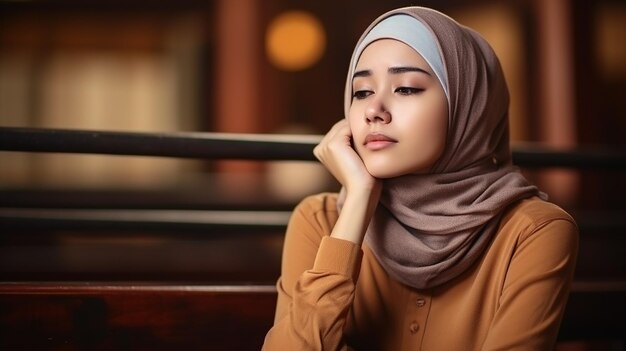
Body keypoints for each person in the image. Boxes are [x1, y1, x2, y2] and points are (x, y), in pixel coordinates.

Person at [262, 6, 578, 351]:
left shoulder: (533, 232)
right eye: (362, 91)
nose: (373, 111)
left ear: (467, 108)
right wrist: (357, 203)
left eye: (407, 89)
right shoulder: (321, 221)